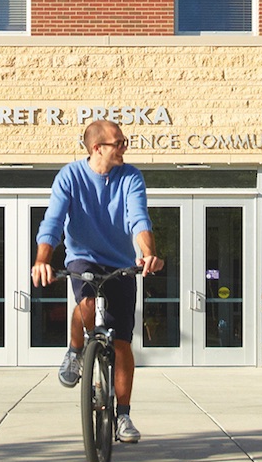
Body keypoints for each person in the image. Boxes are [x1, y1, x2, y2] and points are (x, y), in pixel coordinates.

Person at [32, 119, 164, 444]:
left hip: (120, 262)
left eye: (124, 141)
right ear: (97, 148)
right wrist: (41, 260)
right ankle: (76, 350)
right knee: (86, 304)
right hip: (84, 257)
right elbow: (53, 220)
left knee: (121, 343)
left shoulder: (130, 176)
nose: (124, 147)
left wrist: (147, 253)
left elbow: (138, 217)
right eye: (118, 142)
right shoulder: (70, 176)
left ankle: (124, 416)